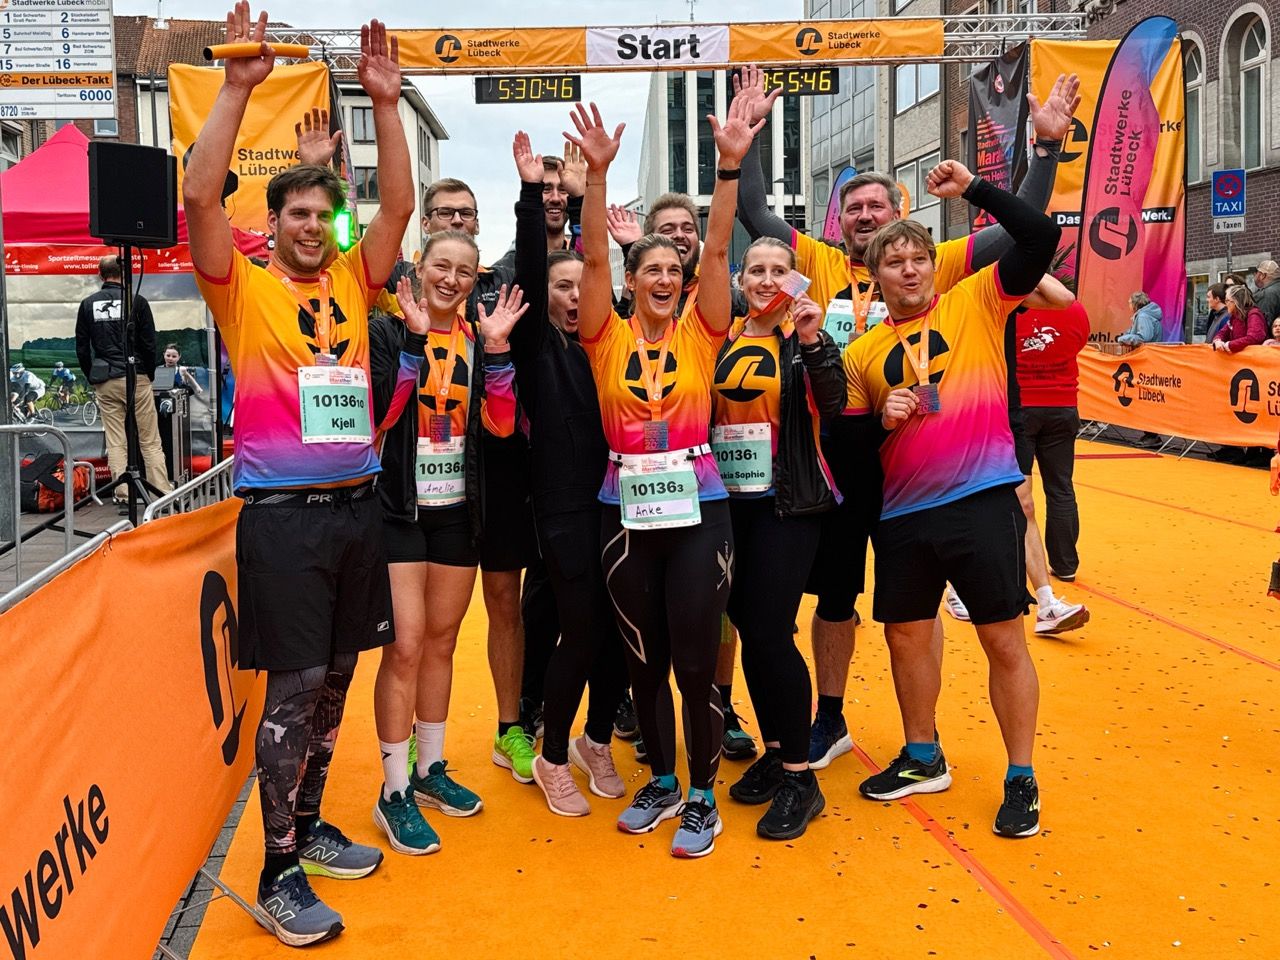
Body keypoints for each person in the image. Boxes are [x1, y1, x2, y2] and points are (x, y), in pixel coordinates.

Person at [733, 63, 1080, 769]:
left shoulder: (932, 263)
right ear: (841, 221)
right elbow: (757, 216)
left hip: (909, 474)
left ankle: (946, 750)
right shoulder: (822, 264)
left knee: (917, 618)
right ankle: (828, 719)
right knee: (834, 598)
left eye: (876, 206)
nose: (865, 216)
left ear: (898, 214)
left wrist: (1042, 153)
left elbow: (1023, 239)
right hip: (831, 460)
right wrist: (750, 142)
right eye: (853, 208)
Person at [183, 7, 418, 946]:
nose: (314, 227)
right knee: (292, 691)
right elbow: (201, 199)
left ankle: (309, 826)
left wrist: (387, 107)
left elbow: (396, 207)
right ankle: (276, 868)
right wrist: (238, 89)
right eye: (298, 215)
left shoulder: (356, 284)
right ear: (272, 222)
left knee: (334, 690)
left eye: (325, 215)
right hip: (282, 520)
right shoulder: (241, 289)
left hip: (358, 511)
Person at [843, 158, 1061, 838]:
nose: (908, 270)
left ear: (932, 267)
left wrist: (975, 189)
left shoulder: (978, 300)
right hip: (904, 514)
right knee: (905, 636)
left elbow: (1042, 238)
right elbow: (850, 452)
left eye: (917, 259)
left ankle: (1020, 776)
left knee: (1002, 638)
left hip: (981, 498)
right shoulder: (863, 352)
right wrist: (879, 420)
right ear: (874, 275)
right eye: (894, 262)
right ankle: (921, 754)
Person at [571, 97, 760, 857]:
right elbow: (586, 258)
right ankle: (660, 780)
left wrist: (730, 165)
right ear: (630, 277)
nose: (664, 275)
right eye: (649, 267)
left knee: (692, 660)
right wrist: (594, 177)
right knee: (640, 660)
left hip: (698, 506)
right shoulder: (604, 337)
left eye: (671, 269)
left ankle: (703, 796)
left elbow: (717, 251)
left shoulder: (703, 329)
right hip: (626, 510)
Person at [368, 231, 522, 853]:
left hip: (458, 511)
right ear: (420, 267)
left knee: (441, 640)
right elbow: (382, 412)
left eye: (464, 270)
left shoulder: (476, 340)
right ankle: (393, 790)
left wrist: (500, 352)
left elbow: (502, 425)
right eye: (441, 266)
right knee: (403, 647)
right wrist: (410, 339)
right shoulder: (386, 330)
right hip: (399, 510)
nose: (452, 279)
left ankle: (431, 770)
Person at [505, 131, 630, 817]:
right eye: (563, 286)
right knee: (580, 629)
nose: (576, 295)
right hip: (564, 509)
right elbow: (528, 268)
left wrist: (592, 195)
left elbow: (605, 266)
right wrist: (532, 193)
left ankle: (597, 739)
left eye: (585, 285)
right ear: (545, 296)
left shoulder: (614, 345)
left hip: (625, 504)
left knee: (623, 630)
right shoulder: (537, 348)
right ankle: (553, 757)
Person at [712, 236, 845, 840]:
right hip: (726, 506)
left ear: (797, 279)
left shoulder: (807, 337)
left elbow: (836, 404)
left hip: (789, 505)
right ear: (741, 281)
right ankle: (776, 748)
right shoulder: (722, 337)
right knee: (750, 630)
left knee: (769, 631)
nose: (768, 280)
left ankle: (801, 776)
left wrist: (814, 341)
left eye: (780, 271)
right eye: (757, 271)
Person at [1011, 276, 1092, 605]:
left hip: (1023, 406)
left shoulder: (1014, 309)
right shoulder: (1074, 310)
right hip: (1062, 403)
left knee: (1019, 492)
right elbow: (1080, 343)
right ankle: (1065, 562)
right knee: (1061, 486)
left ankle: (1022, 562)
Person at [75, 255, 174, 506]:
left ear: (101, 275)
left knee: (116, 439)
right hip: (136, 375)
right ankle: (160, 491)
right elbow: (149, 343)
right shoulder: (137, 301)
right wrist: (148, 373)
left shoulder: (88, 304)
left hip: (105, 379)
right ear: (125, 273)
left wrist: (92, 376)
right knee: (150, 440)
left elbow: (82, 348)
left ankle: (122, 492)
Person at [1212, 285, 1268, 353]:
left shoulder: (1254, 314)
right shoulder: (1234, 316)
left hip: (1254, 359)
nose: (1226, 304)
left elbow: (1255, 337)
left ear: (1236, 301)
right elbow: (1223, 332)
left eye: (1227, 300)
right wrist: (1218, 340)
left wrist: (1230, 345)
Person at [1252, 260, 1280, 324]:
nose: (1254, 275)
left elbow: (1262, 324)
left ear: (1262, 275)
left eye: (1256, 272)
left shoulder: (1266, 294)